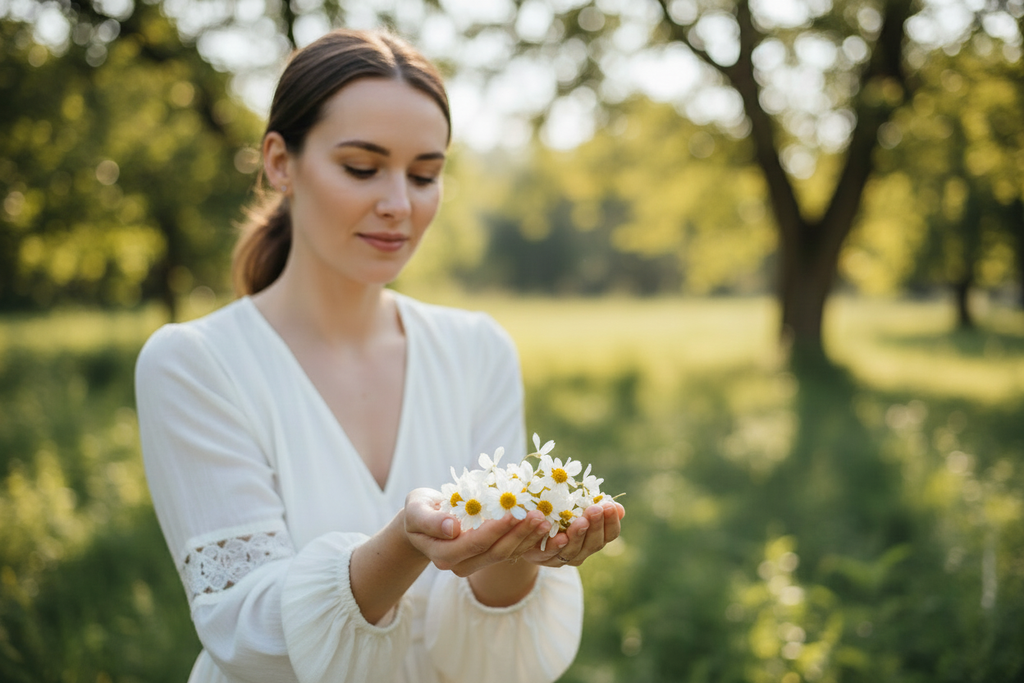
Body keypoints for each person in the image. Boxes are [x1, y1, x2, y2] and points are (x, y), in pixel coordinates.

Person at [135, 28, 624, 683]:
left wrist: (524, 547)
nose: (399, 205)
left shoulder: (478, 350)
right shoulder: (193, 363)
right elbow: (246, 634)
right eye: (362, 168)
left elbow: (482, 655)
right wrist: (402, 544)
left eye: (425, 174)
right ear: (280, 162)